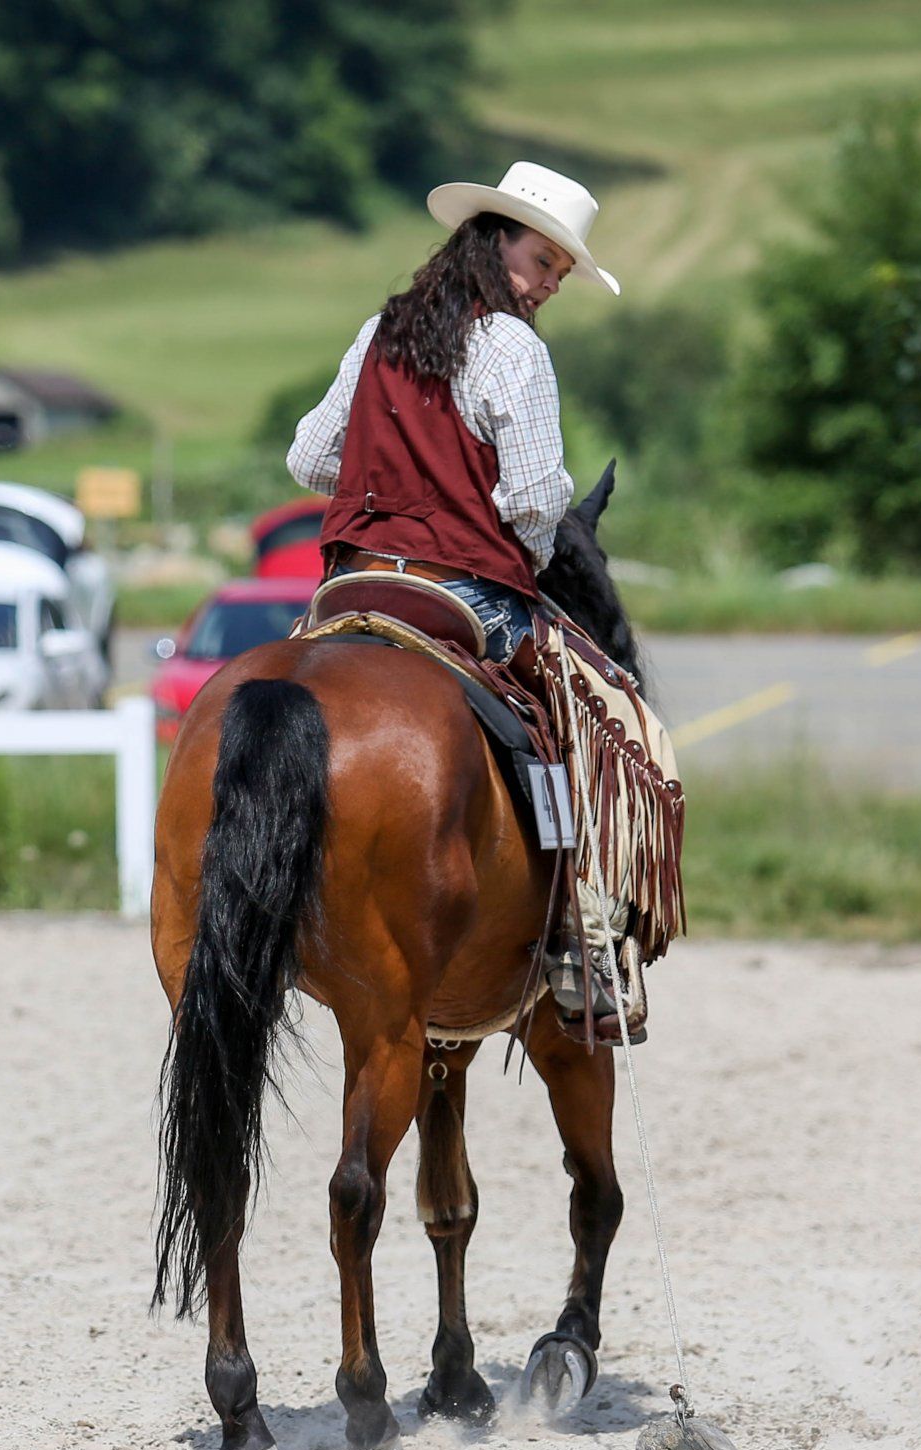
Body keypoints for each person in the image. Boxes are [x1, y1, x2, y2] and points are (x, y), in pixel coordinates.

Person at [288, 162, 677, 1041]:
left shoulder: (378, 332)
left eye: (559, 275)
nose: (545, 287)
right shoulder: (513, 348)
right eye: (542, 263)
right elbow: (540, 496)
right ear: (491, 238)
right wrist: (520, 560)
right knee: (604, 716)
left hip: (350, 583)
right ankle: (585, 932)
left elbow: (310, 461)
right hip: (467, 590)